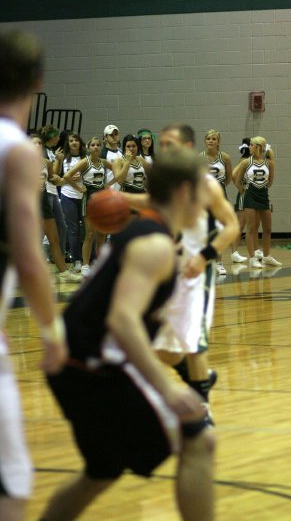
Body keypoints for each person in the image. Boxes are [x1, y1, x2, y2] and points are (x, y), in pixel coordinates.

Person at [39, 148, 215, 521]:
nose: (209, 199)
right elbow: (123, 320)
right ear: (184, 192)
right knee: (199, 439)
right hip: (90, 367)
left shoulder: (152, 236)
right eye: (203, 190)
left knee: (101, 471)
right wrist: (168, 388)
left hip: (74, 363)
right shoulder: (153, 244)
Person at [125, 123, 239, 421]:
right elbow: (150, 203)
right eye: (161, 144)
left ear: (187, 149)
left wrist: (205, 256)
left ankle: (202, 411)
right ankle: (197, 378)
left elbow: (232, 227)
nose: (164, 149)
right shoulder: (163, 185)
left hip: (197, 275)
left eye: (170, 144)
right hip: (167, 273)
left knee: (193, 343)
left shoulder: (206, 184)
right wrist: (118, 199)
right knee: (157, 346)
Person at [0, 30, 67, 521]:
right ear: (38, 82)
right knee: (14, 484)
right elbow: (29, 257)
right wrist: (51, 330)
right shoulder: (17, 151)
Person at [30, 134, 82, 284]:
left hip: (43, 201)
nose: (37, 146)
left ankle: (64, 272)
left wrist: (69, 178)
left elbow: (55, 181)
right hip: (27, 203)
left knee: (54, 238)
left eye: (39, 143)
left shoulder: (46, 162)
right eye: (33, 143)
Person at [62, 136, 113, 277]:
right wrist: (79, 188)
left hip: (102, 198)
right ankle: (85, 264)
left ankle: (100, 262)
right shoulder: (85, 162)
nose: (96, 147)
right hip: (89, 198)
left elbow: (117, 168)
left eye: (98, 145)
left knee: (102, 233)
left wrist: (111, 182)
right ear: (89, 148)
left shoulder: (103, 162)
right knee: (90, 234)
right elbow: (67, 175)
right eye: (93, 145)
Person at [234, 136, 282, 269]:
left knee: (267, 228)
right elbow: (237, 181)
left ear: (258, 147)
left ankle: (267, 256)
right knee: (251, 227)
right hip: (250, 196)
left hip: (263, 196)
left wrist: (262, 188)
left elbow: (270, 182)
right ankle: (253, 258)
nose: (249, 147)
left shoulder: (269, 163)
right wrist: (245, 191)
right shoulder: (245, 162)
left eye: (251, 145)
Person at [200, 130, 233, 276]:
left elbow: (229, 178)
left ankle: (219, 262)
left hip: (220, 195)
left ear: (218, 142)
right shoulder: (199, 158)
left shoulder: (225, 157)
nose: (211, 141)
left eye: (214, 139)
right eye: (208, 138)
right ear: (205, 141)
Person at [59, 132, 86, 271]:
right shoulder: (64, 159)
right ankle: (77, 260)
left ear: (80, 143)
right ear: (68, 144)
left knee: (88, 228)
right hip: (68, 195)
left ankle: (90, 258)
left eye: (76, 140)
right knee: (73, 229)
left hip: (84, 197)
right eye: (71, 141)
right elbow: (60, 178)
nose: (74, 143)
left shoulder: (86, 158)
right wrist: (71, 180)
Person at [40, 124, 67, 256]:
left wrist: (58, 160)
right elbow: (52, 177)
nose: (59, 138)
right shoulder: (44, 152)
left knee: (62, 226)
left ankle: (58, 258)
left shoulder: (51, 151)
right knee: (42, 230)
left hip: (53, 192)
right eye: (57, 135)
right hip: (46, 193)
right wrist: (57, 160)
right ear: (52, 137)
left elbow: (55, 175)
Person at [230, 138, 250, 264]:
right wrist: (241, 189)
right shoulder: (244, 160)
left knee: (252, 225)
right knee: (240, 225)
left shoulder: (254, 160)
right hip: (245, 195)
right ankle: (234, 252)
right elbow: (233, 175)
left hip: (253, 194)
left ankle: (254, 251)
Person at [100, 124, 121, 190]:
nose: (114, 137)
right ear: (105, 137)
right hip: (109, 191)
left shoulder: (121, 153)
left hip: (121, 191)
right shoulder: (103, 154)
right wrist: (108, 185)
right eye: (111, 135)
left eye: (116, 134)